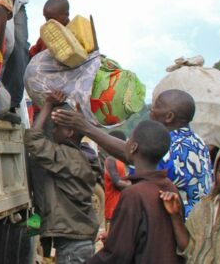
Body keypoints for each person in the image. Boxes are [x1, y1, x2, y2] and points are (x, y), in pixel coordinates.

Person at [88, 120, 182, 263]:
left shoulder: (134, 194)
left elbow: (117, 255)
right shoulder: (169, 186)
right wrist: (116, 236)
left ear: (133, 147)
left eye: (130, 138)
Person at [26, 91, 97, 263]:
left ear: (69, 132)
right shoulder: (79, 157)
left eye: (57, 127)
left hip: (73, 246)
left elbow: (32, 140)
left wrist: (48, 104)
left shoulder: (66, 157)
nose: (54, 131)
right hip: (80, 241)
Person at [152, 89, 212, 218]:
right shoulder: (198, 141)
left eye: (157, 106)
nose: (151, 110)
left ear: (169, 117)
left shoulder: (171, 146)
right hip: (202, 219)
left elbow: (134, 157)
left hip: (182, 222)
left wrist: (96, 132)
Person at [103, 131, 130, 231]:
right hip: (112, 209)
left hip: (120, 207)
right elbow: (117, 182)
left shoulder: (120, 160)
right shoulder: (110, 160)